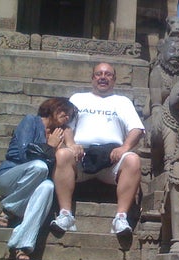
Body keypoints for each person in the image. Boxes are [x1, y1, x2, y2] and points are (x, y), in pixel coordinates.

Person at [51, 62, 145, 235]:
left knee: (133, 159)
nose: (103, 77)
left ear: (114, 80)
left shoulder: (122, 102)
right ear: (92, 78)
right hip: (81, 156)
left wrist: (125, 147)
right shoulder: (78, 98)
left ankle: (121, 218)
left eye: (108, 74)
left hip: (112, 158)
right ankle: (65, 215)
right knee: (63, 154)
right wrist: (71, 145)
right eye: (99, 74)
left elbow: (137, 129)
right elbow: (66, 125)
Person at [0, 97, 77, 260]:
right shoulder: (31, 121)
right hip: (10, 177)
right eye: (65, 112)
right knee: (39, 166)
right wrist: (49, 147)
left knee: (48, 187)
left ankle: (23, 243)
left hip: (32, 185)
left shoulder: (57, 136)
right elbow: (24, 155)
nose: (67, 118)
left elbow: (54, 172)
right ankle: (10, 210)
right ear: (54, 107)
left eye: (70, 116)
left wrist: (65, 145)